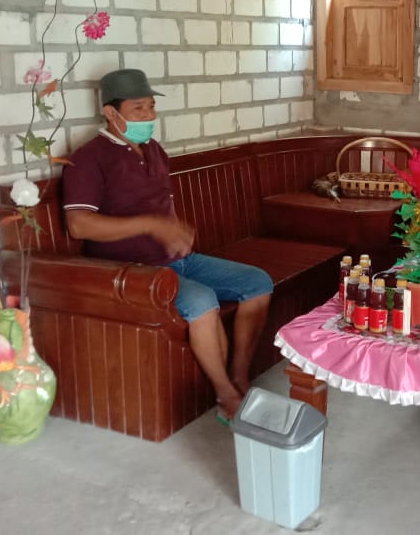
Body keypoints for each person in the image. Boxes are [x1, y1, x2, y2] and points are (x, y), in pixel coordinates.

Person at [61, 68, 273, 421]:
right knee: (202, 301)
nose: (149, 116)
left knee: (257, 283)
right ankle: (225, 395)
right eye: (138, 108)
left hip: (178, 260)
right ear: (111, 113)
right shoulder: (88, 158)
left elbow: (162, 202)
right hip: (131, 269)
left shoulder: (153, 150)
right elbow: (78, 225)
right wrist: (151, 225)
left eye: (151, 107)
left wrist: (174, 230)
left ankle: (239, 376)